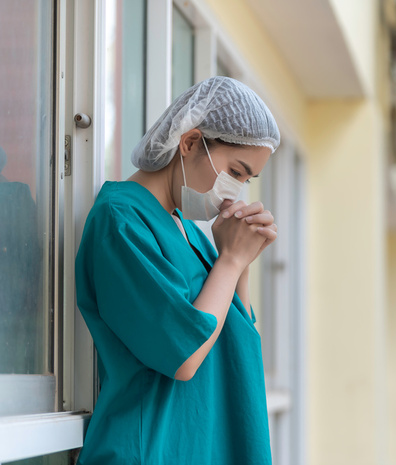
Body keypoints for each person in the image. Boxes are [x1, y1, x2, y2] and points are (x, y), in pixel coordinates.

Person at [74, 76, 280, 464]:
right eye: (235, 172)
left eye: (247, 179)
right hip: (151, 450)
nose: (237, 190)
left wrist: (240, 265)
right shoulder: (122, 221)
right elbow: (183, 357)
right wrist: (231, 261)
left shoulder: (192, 234)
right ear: (189, 143)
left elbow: (238, 343)